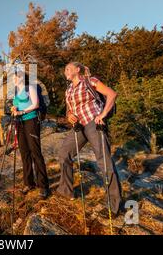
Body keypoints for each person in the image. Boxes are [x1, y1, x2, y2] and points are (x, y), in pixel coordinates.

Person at [56, 62, 123, 215]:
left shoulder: (89, 81)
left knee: (104, 162)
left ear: (77, 69)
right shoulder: (68, 90)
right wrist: (70, 117)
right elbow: (69, 112)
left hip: (94, 122)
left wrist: (103, 114)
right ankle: (65, 191)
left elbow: (112, 94)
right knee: (64, 153)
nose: (65, 71)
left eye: (68, 68)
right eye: (64, 69)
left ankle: (115, 205)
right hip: (79, 127)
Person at [11, 69, 50, 199]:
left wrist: (21, 112)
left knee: (35, 152)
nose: (14, 80)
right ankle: (29, 183)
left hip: (31, 121)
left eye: (15, 77)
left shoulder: (30, 88)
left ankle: (43, 186)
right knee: (24, 153)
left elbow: (35, 104)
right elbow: (17, 106)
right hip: (20, 123)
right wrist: (14, 109)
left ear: (22, 77)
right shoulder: (16, 92)